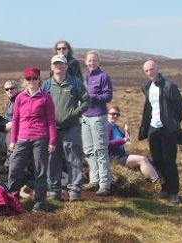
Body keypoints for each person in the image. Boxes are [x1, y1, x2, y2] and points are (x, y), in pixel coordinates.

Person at [8, 67, 57, 212]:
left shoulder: (45, 98)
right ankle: (13, 202)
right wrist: (12, 140)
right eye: (29, 79)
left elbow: (51, 121)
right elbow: (15, 120)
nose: (32, 81)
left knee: (40, 172)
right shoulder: (20, 98)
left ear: (39, 80)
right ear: (25, 80)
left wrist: (52, 141)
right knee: (14, 169)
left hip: (40, 138)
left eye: (34, 78)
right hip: (22, 138)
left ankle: (39, 205)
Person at [42, 55, 90, 202]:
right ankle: (54, 190)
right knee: (52, 159)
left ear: (66, 66)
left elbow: (87, 101)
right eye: (55, 64)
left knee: (74, 159)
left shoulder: (75, 83)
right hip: (52, 129)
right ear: (51, 67)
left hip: (72, 127)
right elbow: (40, 103)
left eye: (61, 64)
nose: (58, 66)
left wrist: (74, 113)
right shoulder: (47, 85)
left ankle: (75, 191)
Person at [138, 60, 182, 203]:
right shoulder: (147, 87)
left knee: (169, 161)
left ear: (157, 69)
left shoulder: (170, 87)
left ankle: (173, 192)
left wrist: (173, 123)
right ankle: (164, 189)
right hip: (153, 129)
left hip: (167, 130)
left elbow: (180, 107)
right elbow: (149, 109)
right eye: (146, 71)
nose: (149, 73)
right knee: (157, 160)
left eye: (151, 69)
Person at [81, 50, 114, 196]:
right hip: (85, 117)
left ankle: (104, 184)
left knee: (100, 150)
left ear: (98, 62)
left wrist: (91, 96)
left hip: (98, 117)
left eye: (94, 60)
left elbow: (108, 96)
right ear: (85, 62)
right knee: (88, 150)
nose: (91, 63)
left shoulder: (103, 76)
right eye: (89, 60)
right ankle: (94, 181)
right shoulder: (85, 77)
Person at [106, 105, 160, 183]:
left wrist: (126, 135)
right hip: (113, 157)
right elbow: (106, 144)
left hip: (121, 155)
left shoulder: (116, 127)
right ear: (107, 114)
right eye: (113, 114)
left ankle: (155, 182)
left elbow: (126, 142)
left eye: (117, 114)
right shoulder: (106, 126)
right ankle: (156, 183)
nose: (115, 116)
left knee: (149, 161)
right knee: (142, 160)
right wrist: (123, 139)